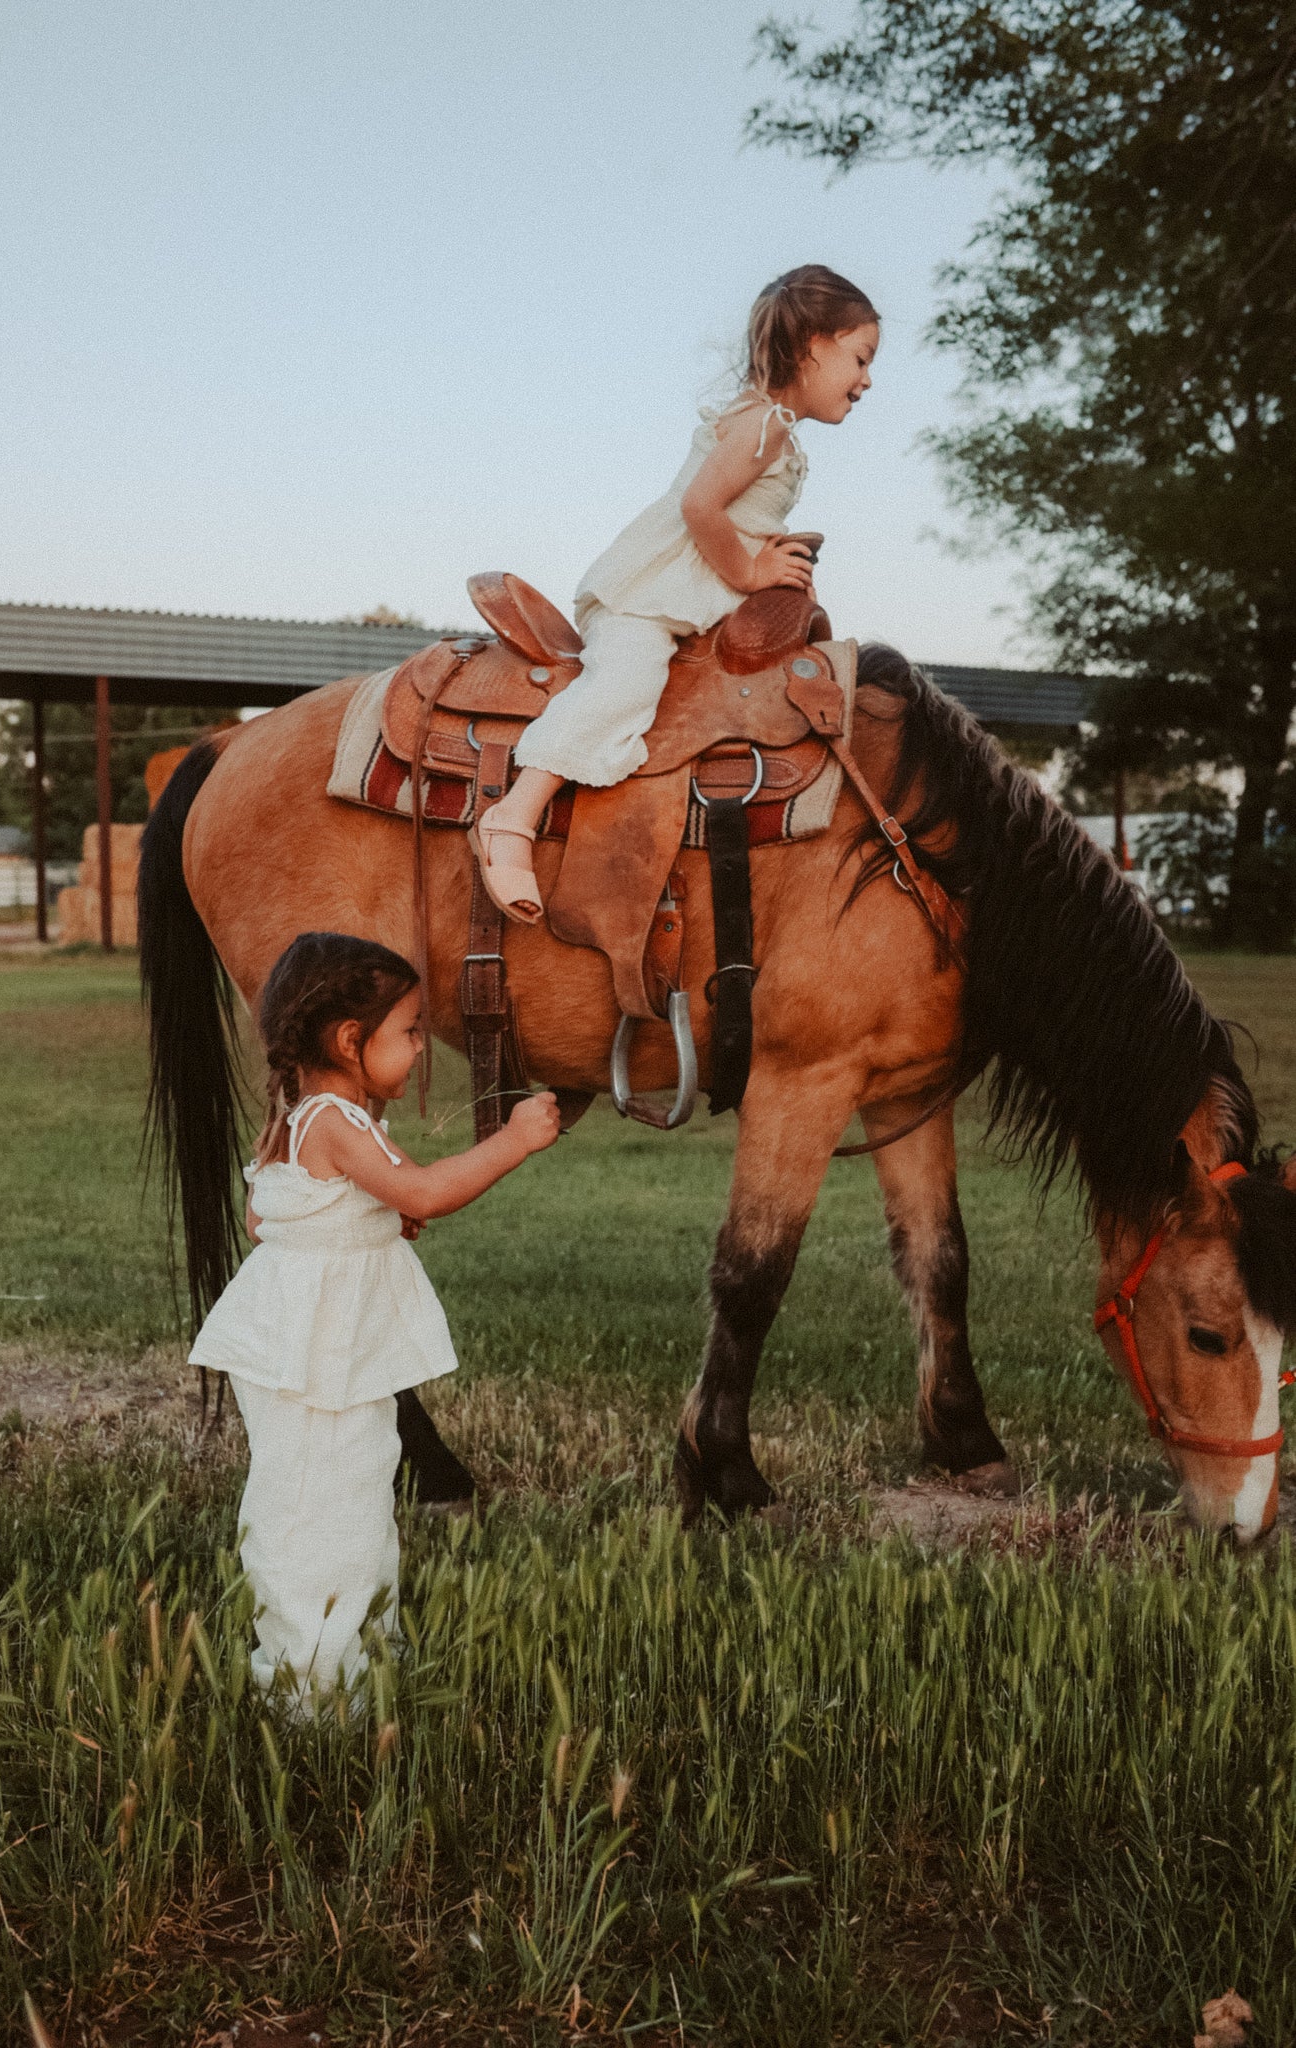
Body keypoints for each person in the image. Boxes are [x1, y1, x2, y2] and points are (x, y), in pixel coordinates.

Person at [189, 930, 560, 1712]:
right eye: (411, 1029)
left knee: (341, 1493)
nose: (424, 1047)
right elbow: (423, 1192)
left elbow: (266, 1219)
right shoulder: (335, 1119)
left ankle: (349, 1653)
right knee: (324, 1506)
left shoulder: (301, 1111)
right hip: (319, 1352)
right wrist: (513, 1141)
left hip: (302, 1341)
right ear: (349, 1040)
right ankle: (316, 1687)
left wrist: (366, 1221)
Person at [471, 263, 880, 922]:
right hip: (651, 592)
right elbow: (699, 508)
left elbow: (738, 514)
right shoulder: (765, 423)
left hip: (690, 594)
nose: (866, 379)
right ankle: (513, 815)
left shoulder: (771, 425)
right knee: (626, 683)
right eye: (859, 357)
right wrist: (749, 573)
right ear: (812, 347)